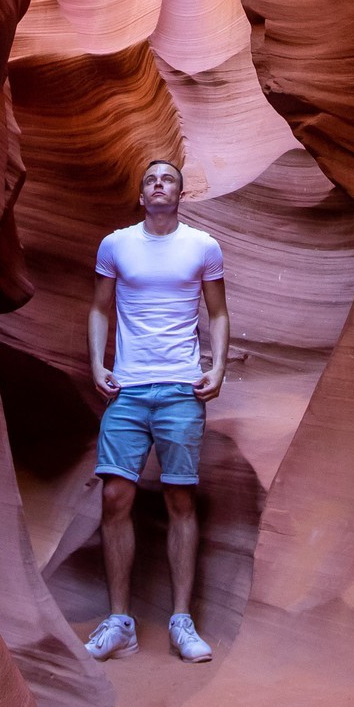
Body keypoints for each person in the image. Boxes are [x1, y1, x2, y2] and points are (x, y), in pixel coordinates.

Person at [83, 158, 228, 664]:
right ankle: (120, 621)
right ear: (142, 195)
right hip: (127, 389)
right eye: (151, 180)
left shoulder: (202, 247)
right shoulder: (116, 244)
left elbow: (218, 312)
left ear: (179, 193)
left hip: (181, 390)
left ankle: (181, 622)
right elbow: (100, 308)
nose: (159, 185)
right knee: (115, 497)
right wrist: (97, 365)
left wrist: (219, 367)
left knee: (181, 501)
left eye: (167, 178)